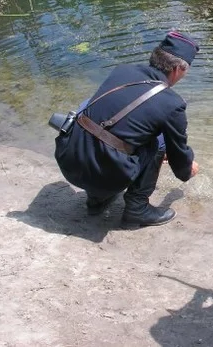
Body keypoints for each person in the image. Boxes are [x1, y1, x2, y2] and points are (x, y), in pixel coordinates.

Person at [54, 31, 200, 229]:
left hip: (68, 160)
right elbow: (178, 157)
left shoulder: (122, 71)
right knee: (161, 141)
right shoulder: (172, 104)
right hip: (101, 176)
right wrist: (187, 167)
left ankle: (96, 199)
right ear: (177, 69)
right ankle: (137, 209)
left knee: (90, 108)